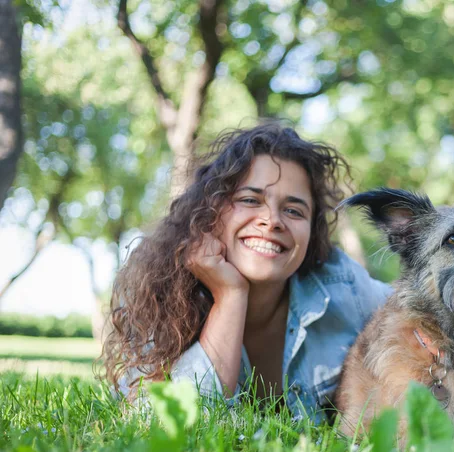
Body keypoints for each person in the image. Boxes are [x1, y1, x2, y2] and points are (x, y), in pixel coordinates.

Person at [101, 123, 391, 423]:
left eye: (294, 210)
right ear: (210, 212)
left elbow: (420, 314)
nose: (272, 220)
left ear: (311, 231)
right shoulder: (161, 295)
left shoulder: (342, 283)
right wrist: (230, 296)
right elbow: (164, 425)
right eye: (250, 200)